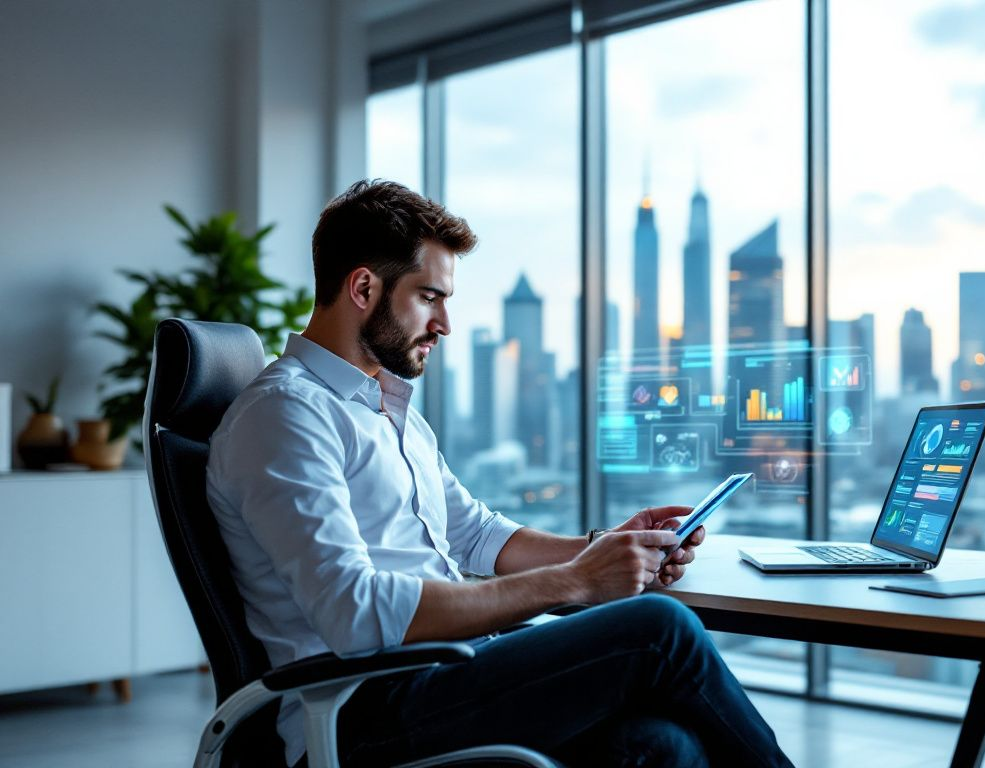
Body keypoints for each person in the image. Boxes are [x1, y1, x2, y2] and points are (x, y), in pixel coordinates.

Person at [206, 180, 793, 768]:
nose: (444, 323)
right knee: (659, 629)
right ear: (363, 287)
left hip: (445, 671)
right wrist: (578, 582)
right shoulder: (285, 415)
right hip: (360, 713)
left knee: (663, 747)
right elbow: (355, 613)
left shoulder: (387, 408)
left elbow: (478, 536)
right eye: (429, 297)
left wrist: (607, 547)